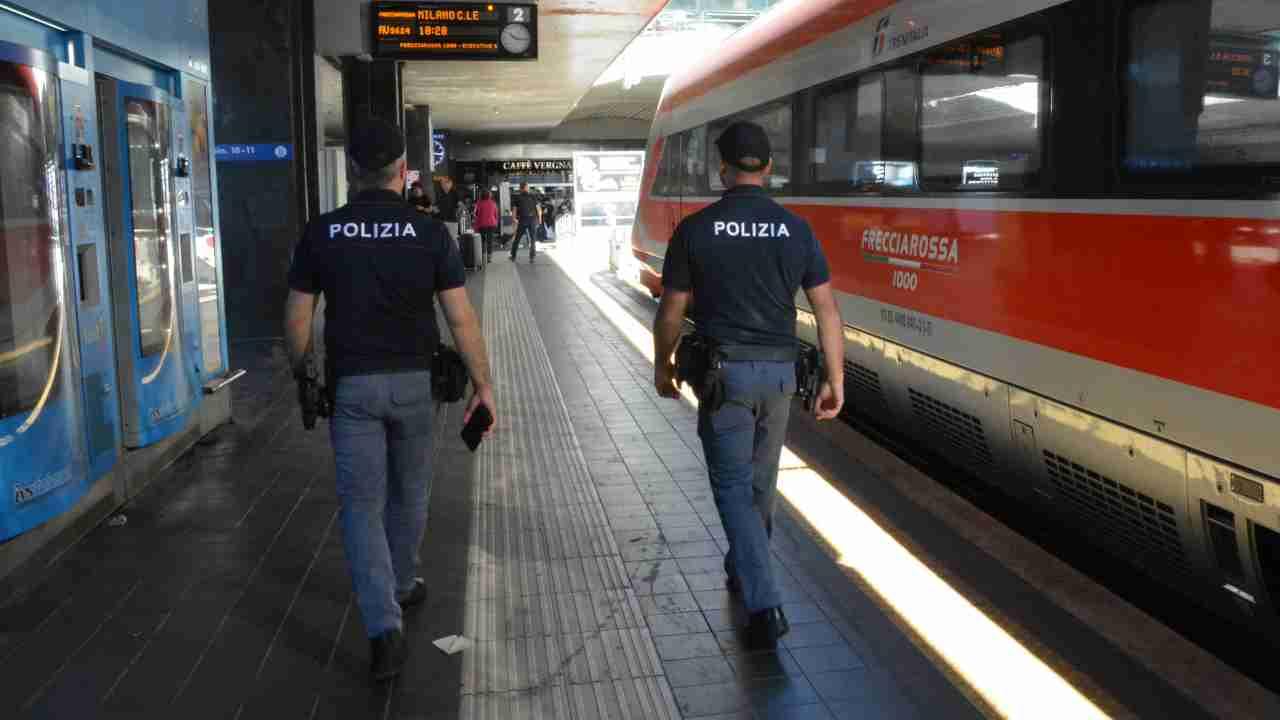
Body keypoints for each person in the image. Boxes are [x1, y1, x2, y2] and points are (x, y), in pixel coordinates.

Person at [284, 119, 497, 681]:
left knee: (360, 504)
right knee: (410, 491)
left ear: (353, 174)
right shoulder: (429, 234)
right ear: (403, 174)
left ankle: (383, 630)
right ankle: (402, 583)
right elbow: (460, 317)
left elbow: (299, 315)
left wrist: (302, 373)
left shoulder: (322, 232)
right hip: (414, 385)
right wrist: (483, 383)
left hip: (351, 385)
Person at [652, 121, 845, 652]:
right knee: (760, 483)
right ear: (768, 169)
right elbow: (826, 309)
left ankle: (764, 603)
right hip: (780, 375)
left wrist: (662, 364)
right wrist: (835, 378)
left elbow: (672, 310)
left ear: (722, 168)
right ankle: (743, 566)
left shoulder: (697, 229)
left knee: (733, 487)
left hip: (725, 376)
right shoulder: (796, 229)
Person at [508, 182, 541, 263]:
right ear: (525, 187)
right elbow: (539, 209)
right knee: (533, 239)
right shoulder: (533, 196)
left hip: (523, 220)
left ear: (520, 188)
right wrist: (540, 219)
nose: (528, 188)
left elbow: (514, 210)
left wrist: (514, 220)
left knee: (517, 238)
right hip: (532, 219)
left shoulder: (517, 197)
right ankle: (532, 257)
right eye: (527, 187)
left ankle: (513, 256)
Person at [474, 190, 499, 263]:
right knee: (490, 241)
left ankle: (482, 256)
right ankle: (489, 258)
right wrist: (496, 222)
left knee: (482, 241)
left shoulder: (479, 203)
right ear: (489, 195)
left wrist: (476, 225)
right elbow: (496, 215)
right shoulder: (493, 203)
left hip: (482, 225)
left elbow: (477, 215)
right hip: (492, 224)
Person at [435, 176, 461, 245]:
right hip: (442, 221)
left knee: (453, 240)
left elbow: (460, 205)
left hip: (452, 221)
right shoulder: (440, 194)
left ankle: (456, 254)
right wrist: (435, 209)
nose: (442, 185)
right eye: (441, 184)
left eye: (443, 183)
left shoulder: (454, 193)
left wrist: (458, 213)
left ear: (450, 184)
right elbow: (437, 208)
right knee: (443, 240)